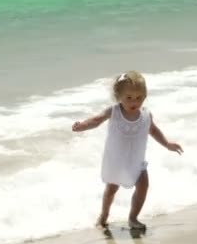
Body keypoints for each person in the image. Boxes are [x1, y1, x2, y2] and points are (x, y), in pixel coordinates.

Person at [71, 71, 183, 230]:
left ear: (144, 97)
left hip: (136, 161)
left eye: (139, 98)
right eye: (129, 97)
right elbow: (96, 120)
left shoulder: (146, 115)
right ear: (119, 97)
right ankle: (103, 215)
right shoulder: (114, 111)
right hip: (117, 161)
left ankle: (133, 218)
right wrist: (82, 125)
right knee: (111, 190)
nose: (134, 101)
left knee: (143, 186)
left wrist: (167, 144)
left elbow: (153, 130)